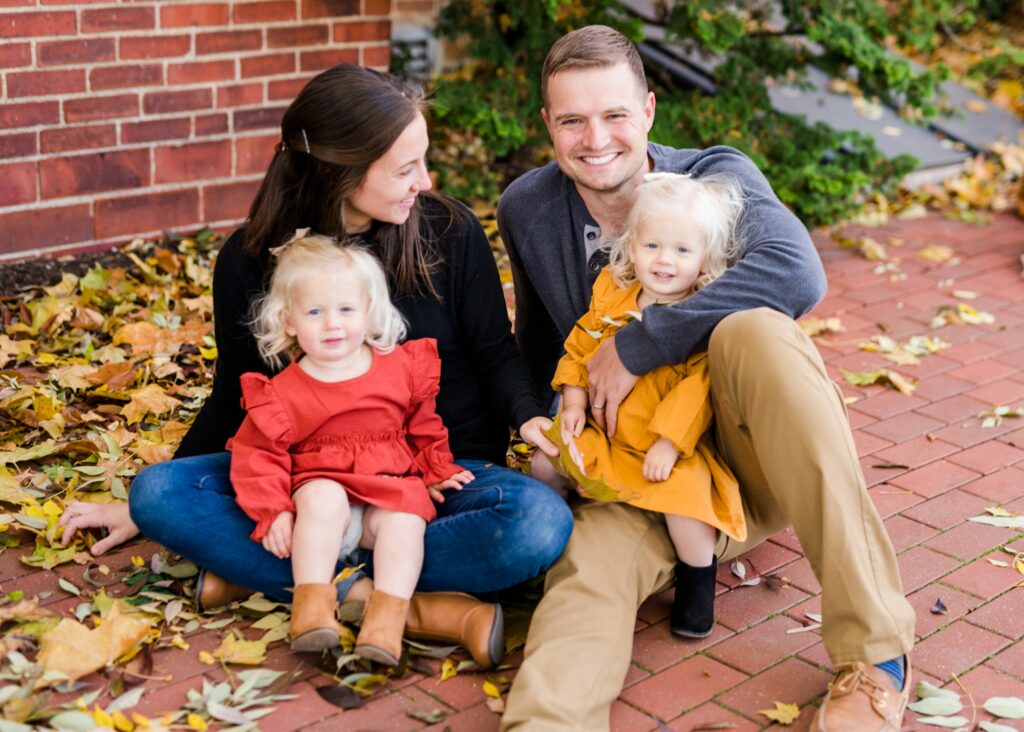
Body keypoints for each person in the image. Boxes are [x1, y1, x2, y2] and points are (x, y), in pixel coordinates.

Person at [58, 63, 573, 671]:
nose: (425, 181)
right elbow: (233, 398)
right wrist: (138, 511)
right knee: (159, 494)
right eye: (405, 169)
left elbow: (494, 353)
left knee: (537, 525)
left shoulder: (448, 232)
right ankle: (399, 606)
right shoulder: (250, 259)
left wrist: (529, 418)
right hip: (306, 481)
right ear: (342, 172)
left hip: (438, 478)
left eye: (423, 161)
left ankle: (280, 578)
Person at [497, 25, 915, 732]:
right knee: (584, 577)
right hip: (638, 475)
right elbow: (541, 341)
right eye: (572, 120)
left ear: (649, 111)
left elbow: (797, 272)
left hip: (752, 458)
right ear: (547, 124)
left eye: (614, 114)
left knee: (756, 331)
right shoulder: (528, 207)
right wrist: (536, 432)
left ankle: (877, 657)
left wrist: (638, 345)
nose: (595, 139)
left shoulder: (713, 180)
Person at [229, 233, 474, 662]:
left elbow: (422, 426)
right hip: (322, 510)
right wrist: (274, 512)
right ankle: (312, 611)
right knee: (323, 496)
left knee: (406, 519)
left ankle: (385, 621)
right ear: (289, 321)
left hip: (387, 490)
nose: (332, 324)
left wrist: (436, 469)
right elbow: (257, 456)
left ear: (367, 311)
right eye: (315, 312)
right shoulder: (283, 392)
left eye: (345, 310)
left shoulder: (399, 368)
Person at [533, 172, 747, 639]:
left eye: (682, 250)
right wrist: (573, 400)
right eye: (652, 246)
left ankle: (696, 589)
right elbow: (580, 347)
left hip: (665, 446)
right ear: (632, 247)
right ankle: (550, 537)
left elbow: (697, 390)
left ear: (705, 258)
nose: (664, 260)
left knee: (688, 505)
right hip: (607, 435)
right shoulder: (613, 295)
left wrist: (669, 444)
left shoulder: (698, 316)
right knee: (545, 462)